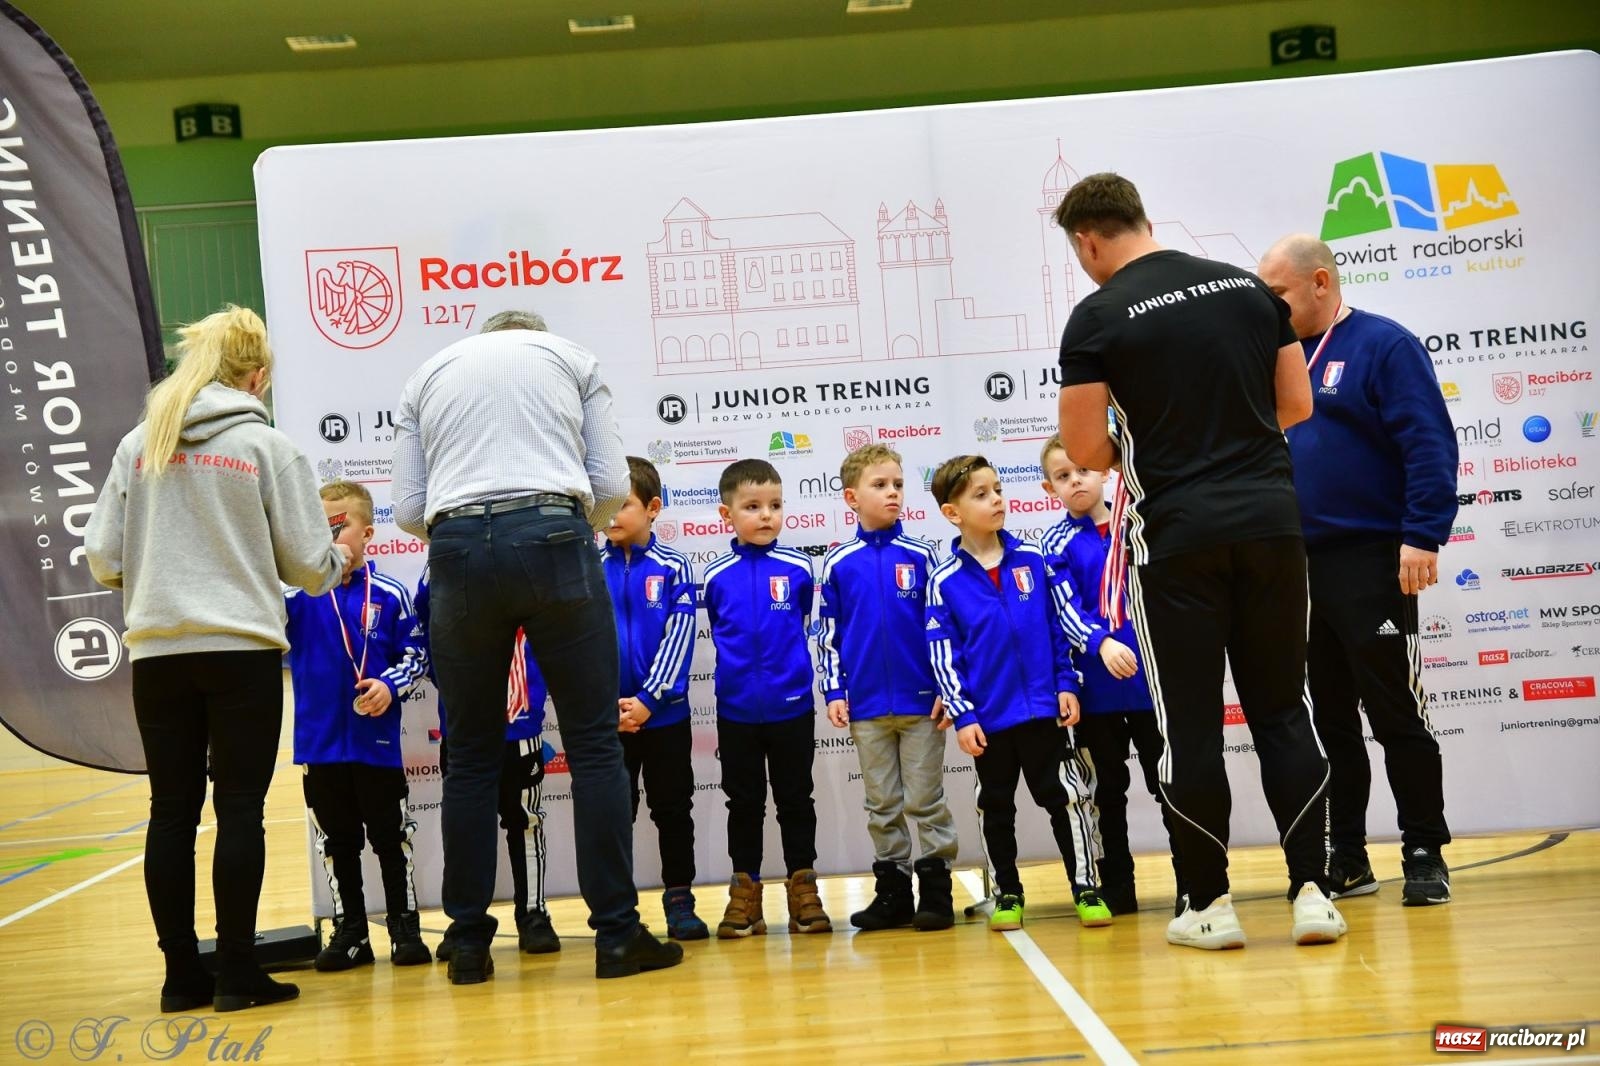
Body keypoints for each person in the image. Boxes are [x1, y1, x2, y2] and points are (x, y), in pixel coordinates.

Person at [1053, 173, 1344, 951]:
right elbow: (1296, 407)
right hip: (1273, 527)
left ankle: (1209, 906)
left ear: (1086, 240)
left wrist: (1155, 441)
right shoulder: (1250, 292)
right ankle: (1312, 893)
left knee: (1189, 728)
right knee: (1284, 710)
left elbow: (1083, 450)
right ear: (1142, 219)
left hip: (1177, 537)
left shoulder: (1097, 315)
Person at [391, 309, 681, 983]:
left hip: (458, 546)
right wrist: (560, 528)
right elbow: (611, 486)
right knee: (593, 743)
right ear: (536, 335)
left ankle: (466, 944)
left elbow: (409, 507)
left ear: (483, 338)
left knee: (467, 756)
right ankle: (615, 935)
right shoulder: (571, 357)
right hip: (555, 537)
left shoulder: (428, 372)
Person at [84, 305, 349, 1012]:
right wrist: (341, 555)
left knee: (169, 812)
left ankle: (180, 977)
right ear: (256, 375)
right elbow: (309, 567)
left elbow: (103, 558)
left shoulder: (142, 442)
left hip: (158, 654)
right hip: (241, 653)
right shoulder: (267, 448)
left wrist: (156, 574)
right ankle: (237, 974)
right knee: (239, 811)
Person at [1257, 234, 1458, 906]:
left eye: (1277, 293)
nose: (1268, 306)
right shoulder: (1275, 359)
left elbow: (1428, 442)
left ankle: (1424, 848)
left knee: (1395, 709)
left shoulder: (1383, 345)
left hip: (1372, 559)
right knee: (1329, 721)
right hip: (1295, 567)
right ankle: (1347, 855)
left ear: (1320, 282)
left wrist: (1423, 534)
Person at [924, 454, 1112, 932]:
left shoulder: (1033, 559)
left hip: (1046, 711)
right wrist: (964, 716)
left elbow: (1055, 629)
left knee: (1066, 798)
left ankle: (1086, 887)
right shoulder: (943, 583)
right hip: (989, 721)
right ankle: (1007, 893)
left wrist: (1067, 684)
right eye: (981, 494)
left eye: (998, 489)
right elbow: (946, 656)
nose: (996, 500)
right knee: (996, 806)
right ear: (953, 512)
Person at [286, 481, 431, 972]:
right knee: (337, 841)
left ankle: (405, 927)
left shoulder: (391, 594)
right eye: (319, 526)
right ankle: (351, 932)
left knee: (392, 836)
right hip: (320, 744)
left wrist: (390, 686)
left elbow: (417, 655)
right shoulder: (298, 597)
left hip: (377, 743)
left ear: (367, 531)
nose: (330, 534)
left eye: (339, 524)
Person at [1037, 437, 1184, 915]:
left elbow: (1166, 592)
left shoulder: (1137, 526)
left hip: (1152, 686)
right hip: (1095, 693)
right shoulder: (1053, 545)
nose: (1075, 480)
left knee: (1170, 785)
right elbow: (1064, 609)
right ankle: (1118, 886)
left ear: (1105, 472)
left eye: (1083, 469)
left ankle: (1192, 880)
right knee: (1108, 795)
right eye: (1063, 476)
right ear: (1049, 488)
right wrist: (1101, 642)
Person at [817, 443, 959, 932]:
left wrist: (946, 686)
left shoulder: (923, 556)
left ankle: (937, 892)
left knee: (925, 799)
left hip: (923, 705)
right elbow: (827, 636)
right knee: (882, 804)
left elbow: (942, 627)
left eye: (898, 484)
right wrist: (835, 692)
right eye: (880, 485)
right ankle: (893, 892)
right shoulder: (838, 564)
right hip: (867, 707)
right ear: (852, 498)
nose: (893, 492)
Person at [701, 458, 832, 938]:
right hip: (737, 711)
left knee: (796, 798)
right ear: (726, 514)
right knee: (744, 801)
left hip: (791, 707)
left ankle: (804, 889)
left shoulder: (798, 568)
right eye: (752, 506)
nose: (765, 516)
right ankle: (746, 892)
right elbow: (720, 631)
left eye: (774, 506)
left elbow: (802, 622)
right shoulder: (715, 576)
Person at [416, 577, 563, 959]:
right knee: (465, 824)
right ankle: (467, 923)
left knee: (526, 821)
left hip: (520, 722)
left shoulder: (526, 557)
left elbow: (553, 632)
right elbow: (428, 630)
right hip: (464, 726)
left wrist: (531, 690)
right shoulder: (438, 571)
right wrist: (451, 683)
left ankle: (533, 914)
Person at [600, 456, 707, 940]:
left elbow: (679, 636)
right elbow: (579, 643)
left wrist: (648, 699)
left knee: (672, 809)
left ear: (653, 508)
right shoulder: (586, 567)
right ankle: (619, 909)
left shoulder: (674, 566)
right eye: (603, 505)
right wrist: (607, 707)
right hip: (607, 722)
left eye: (622, 504)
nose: (611, 516)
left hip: (663, 715)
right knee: (614, 813)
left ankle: (679, 899)